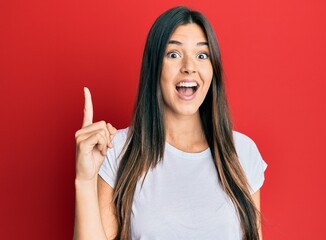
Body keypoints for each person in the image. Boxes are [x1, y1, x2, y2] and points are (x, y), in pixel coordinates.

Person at [74, 6, 267, 240]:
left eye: (202, 55)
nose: (189, 66)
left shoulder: (242, 153)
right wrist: (85, 180)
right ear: (155, 67)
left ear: (213, 69)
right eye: (173, 54)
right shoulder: (118, 149)